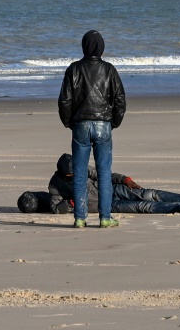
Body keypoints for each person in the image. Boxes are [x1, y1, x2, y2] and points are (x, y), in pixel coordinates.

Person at [58, 30, 127, 229]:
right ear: (101, 47)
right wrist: (114, 122)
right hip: (103, 124)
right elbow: (120, 100)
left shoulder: (74, 69)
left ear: (84, 46)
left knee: (80, 173)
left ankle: (80, 218)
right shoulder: (109, 69)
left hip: (80, 124)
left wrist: (69, 122)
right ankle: (105, 217)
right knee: (104, 172)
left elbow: (65, 100)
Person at [17, 153, 180, 215]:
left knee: (150, 194)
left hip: (111, 189)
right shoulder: (55, 184)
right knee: (142, 206)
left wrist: (124, 179)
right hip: (106, 205)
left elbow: (103, 174)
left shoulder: (82, 167)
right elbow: (55, 208)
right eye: (72, 174)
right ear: (63, 173)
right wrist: (70, 204)